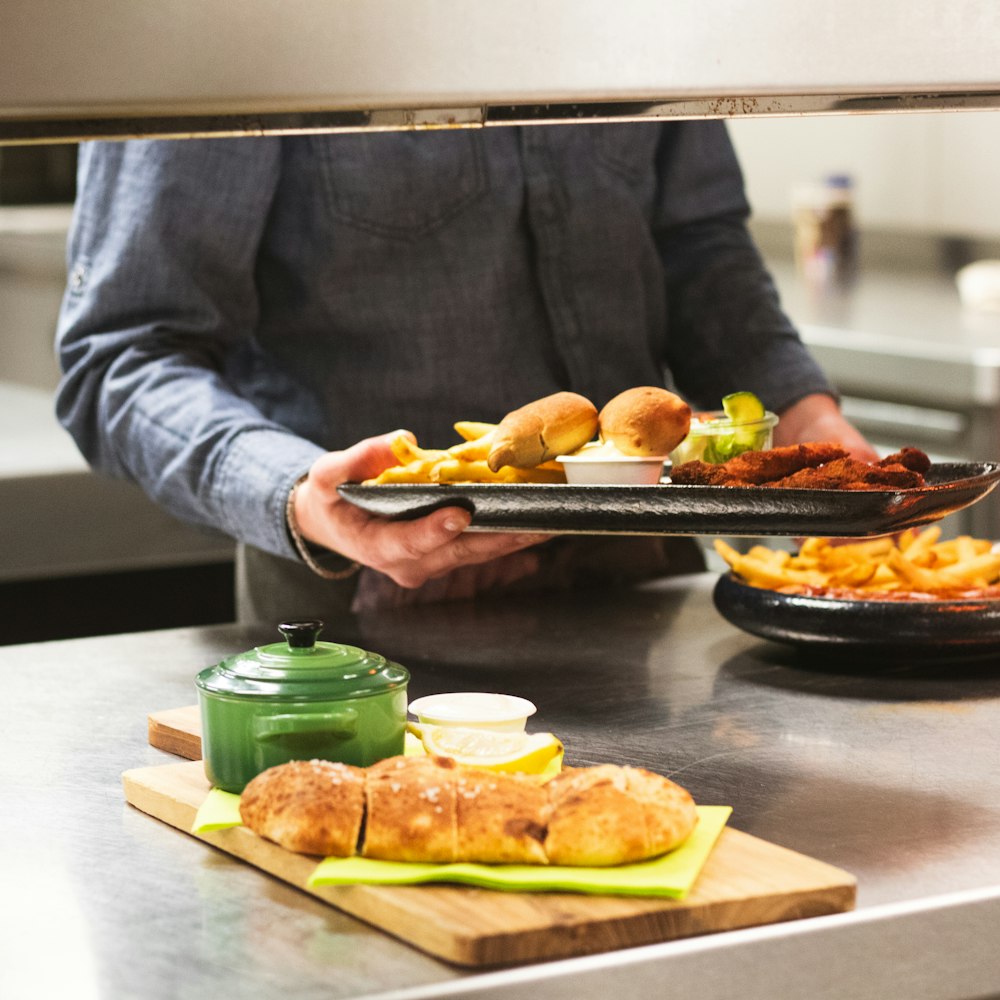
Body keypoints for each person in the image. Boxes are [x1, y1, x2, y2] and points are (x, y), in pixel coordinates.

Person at [55, 121, 876, 623]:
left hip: (644, 594)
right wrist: (303, 496)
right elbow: (125, 354)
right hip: (361, 619)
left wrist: (808, 424)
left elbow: (700, 252)